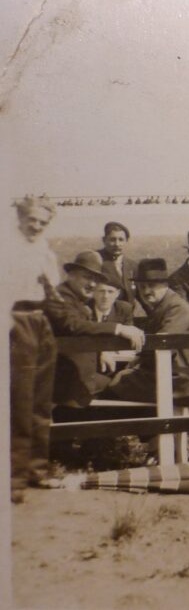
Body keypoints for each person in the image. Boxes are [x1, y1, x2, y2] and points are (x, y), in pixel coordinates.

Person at [44, 251, 146, 407]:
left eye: (95, 280)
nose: (92, 284)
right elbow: (73, 325)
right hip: (64, 386)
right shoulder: (59, 297)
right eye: (86, 277)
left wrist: (101, 350)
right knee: (130, 395)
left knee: (125, 390)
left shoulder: (76, 300)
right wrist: (118, 328)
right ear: (71, 275)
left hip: (81, 380)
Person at [10, 196, 61, 501]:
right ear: (20, 218)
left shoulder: (44, 250)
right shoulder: (8, 249)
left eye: (43, 222)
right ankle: (14, 479)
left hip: (41, 320)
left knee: (41, 400)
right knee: (21, 401)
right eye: (32, 220)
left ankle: (36, 470)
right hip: (16, 320)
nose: (37, 226)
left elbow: (53, 290)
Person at [108, 258, 189, 407]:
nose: (146, 291)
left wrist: (137, 364)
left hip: (183, 385)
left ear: (165, 284)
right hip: (172, 376)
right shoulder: (164, 305)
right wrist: (138, 360)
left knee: (112, 385)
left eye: (151, 286)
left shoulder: (177, 309)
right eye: (142, 287)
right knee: (116, 380)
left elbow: (162, 344)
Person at [97, 221, 138, 309]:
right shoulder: (96, 260)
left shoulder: (133, 266)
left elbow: (141, 295)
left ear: (126, 241)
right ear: (104, 240)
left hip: (127, 315)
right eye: (112, 239)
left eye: (121, 240)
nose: (117, 244)